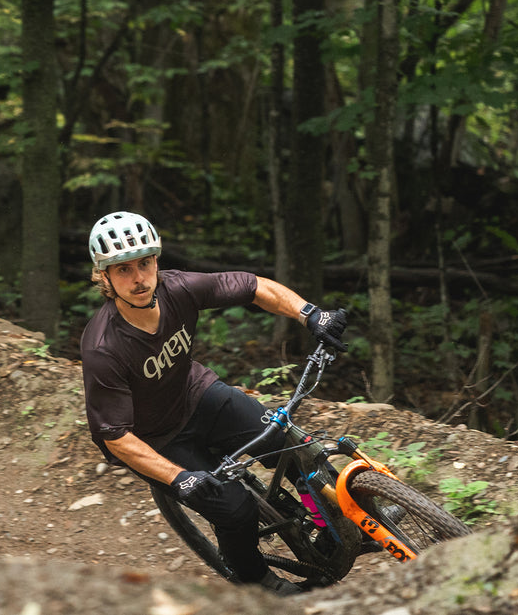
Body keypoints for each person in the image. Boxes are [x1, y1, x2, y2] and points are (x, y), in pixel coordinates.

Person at [78, 211, 348, 596]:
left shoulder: (178, 289)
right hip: (158, 438)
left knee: (287, 443)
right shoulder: (103, 347)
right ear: (103, 277)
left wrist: (310, 314)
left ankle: (330, 519)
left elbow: (252, 287)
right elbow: (114, 436)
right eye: (122, 270)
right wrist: (177, 478)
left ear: (156, 261)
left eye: (144, 263)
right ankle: (260, 585)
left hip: (198, 395)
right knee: (236, 511)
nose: (138, 278)